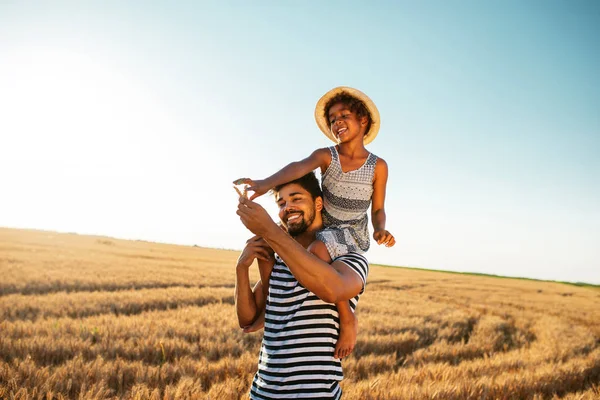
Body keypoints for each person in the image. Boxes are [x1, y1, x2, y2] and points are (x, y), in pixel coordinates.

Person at [234, 86, 395, 358]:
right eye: (332, 119)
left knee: (317, 254)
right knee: (314, 253)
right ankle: (271, 316)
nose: (337, 122)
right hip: (329, 228)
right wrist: (264, 184)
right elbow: (298, 166)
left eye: (344, 115)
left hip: (352, 231)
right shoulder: (326, 156)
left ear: (363, 120)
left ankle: (347, 317)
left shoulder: (377, 166)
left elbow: (378, 208)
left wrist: (380, 230)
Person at [235, 172, 370, 399]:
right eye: (282, 203)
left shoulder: (348, 258)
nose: (288, 207)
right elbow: (247, 320)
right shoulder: (277, 261)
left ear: (318, 203)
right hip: (261, 393)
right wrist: (241, 268)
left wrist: (269, 230)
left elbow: (333, 290)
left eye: (296, 199)